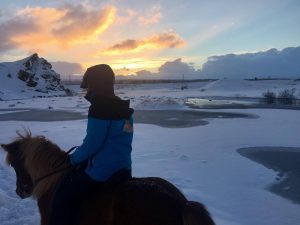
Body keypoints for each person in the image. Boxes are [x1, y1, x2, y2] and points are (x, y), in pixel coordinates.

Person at [49, 64, 134, 225]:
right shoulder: (124, 109)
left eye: (88, 86)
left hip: (102, 171)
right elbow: (123, 140)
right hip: (123, 169)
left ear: (95, 85)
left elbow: (92, 145)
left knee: (63, 196)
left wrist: (72, 160)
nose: (87, 91)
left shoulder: (99, 109)